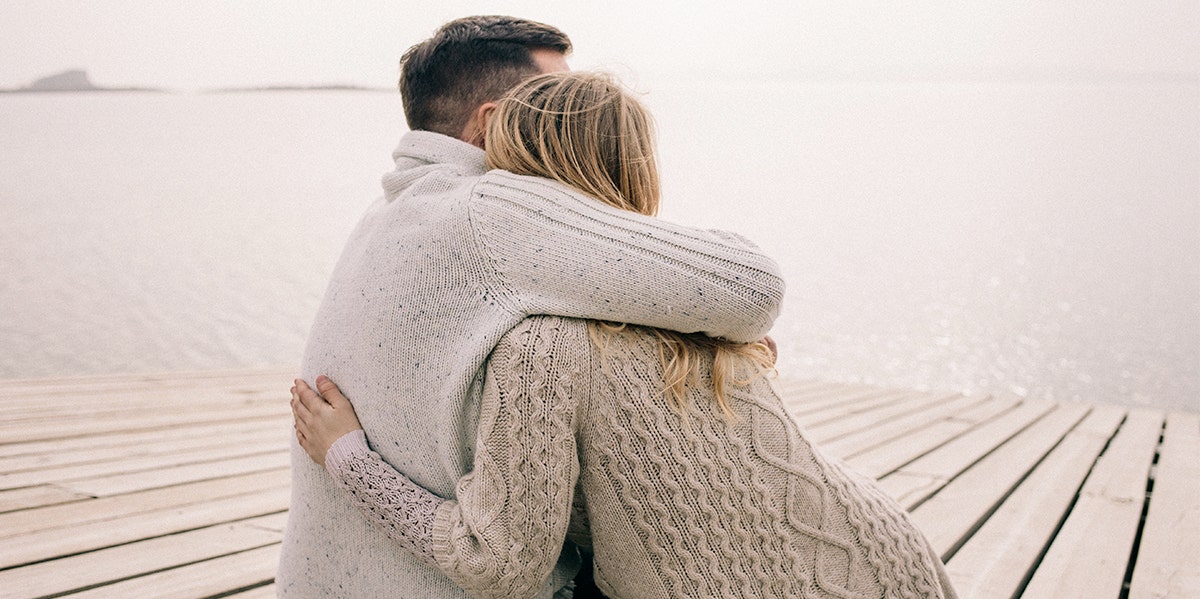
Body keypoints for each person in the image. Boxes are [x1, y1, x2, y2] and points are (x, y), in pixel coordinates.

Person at [291, 72, 958, 599]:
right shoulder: (689, 313)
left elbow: (497, 564)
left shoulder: (541, 346)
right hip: (886, 551)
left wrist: (348, 456)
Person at [276, 16, 786, 599]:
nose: (569, 108)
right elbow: (751, 287)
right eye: (552, 100)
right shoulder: (488, 212)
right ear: (493, 121)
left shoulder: (389, 210)